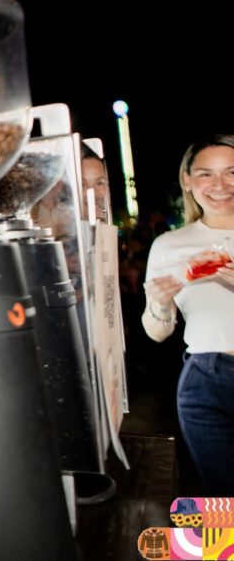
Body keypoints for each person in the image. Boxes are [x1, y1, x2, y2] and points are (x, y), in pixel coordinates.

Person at [142, 134, 234, 495]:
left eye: (231, 172)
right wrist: (160, 305)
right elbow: (156, 332)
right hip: (204, 381)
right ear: (188, 180)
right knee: (223, 499)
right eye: (206, 174)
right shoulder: (169, 245)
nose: (220, 185)